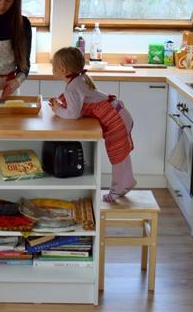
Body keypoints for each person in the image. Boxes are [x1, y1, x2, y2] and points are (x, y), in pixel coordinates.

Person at [49, 47, 136, 203]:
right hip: (119, 114)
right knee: (122, 155)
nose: (52, 70)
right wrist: (61, 105)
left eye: (53, 67)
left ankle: (118, 190)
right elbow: (79, 104)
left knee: (117, 156)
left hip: (116, 121)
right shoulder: (78, 80)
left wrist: (57, 110)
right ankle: (126, 182)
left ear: (63, 69)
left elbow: (73, 114)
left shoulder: (72, 86)